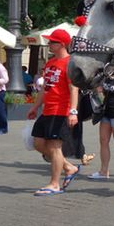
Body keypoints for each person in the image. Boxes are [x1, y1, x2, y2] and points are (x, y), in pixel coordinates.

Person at [27, 29, 80, 196]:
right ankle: (68, 167)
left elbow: (74, 89)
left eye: (52, 42)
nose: (49, 44)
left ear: (61, 44)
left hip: (61, 110)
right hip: (47, 110)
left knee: (55, 147)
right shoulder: (50, 63)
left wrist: (73, 112)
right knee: (38, 143)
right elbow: (45, 89)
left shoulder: (70, 63)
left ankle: (54, 184)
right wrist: (35, 107)